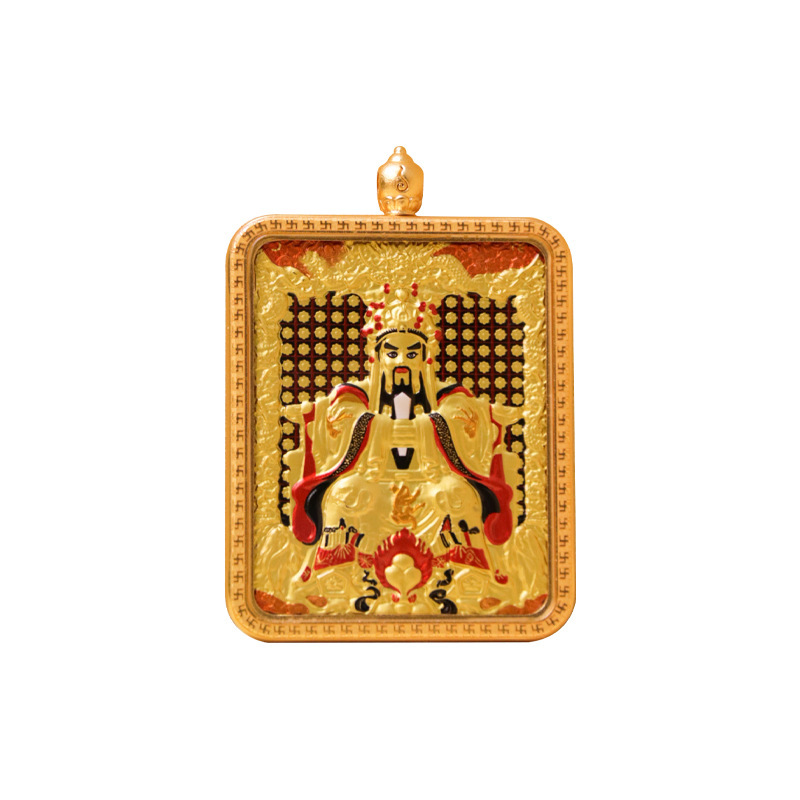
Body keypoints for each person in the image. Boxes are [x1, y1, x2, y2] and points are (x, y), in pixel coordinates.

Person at [280, 283, 524, 614]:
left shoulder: (446, 395)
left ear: (426, 356)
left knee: (457, 496)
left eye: (412, 353)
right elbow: (339, 415)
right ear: (376, 356)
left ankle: (472, 580)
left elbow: (465, 415)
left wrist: (425, 427)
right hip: (372, 480)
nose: (401, 361)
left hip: (431, 481)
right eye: (392, 353)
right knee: (344, 495)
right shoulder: (356, 394)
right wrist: (380, 427)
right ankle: (333, 579)